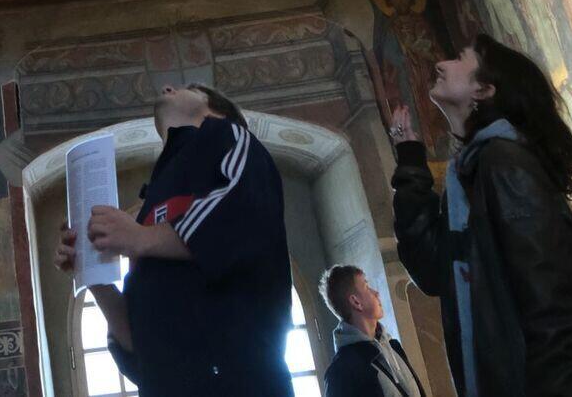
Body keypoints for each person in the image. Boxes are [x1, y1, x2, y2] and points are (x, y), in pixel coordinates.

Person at [391, 33, 572, 397]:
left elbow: (555, 307)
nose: (440, 64)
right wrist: (410, 161)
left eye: (459, 58)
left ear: (484, 89)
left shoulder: (504, 164)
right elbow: (432, 270)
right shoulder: (473, 172)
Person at [55, 84, 293, 396]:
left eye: (189, 88)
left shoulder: (227, 135)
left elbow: (245, 213)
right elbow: (139, 348)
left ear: (217, 111)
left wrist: (140, 237)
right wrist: (92, 273)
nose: (168, 87)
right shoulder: (153, 200)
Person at [318, 264, 425, 396]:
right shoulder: (340, 372)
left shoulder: (394, 347)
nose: (376, 293)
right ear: (356, 302)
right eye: (367, 287)